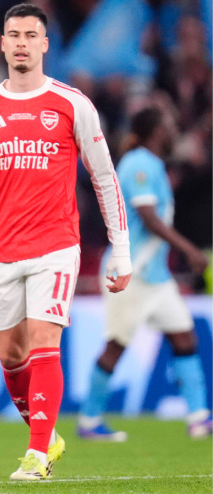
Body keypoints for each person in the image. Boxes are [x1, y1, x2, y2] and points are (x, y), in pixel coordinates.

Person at [0, 3, 131, 481]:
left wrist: (120, 250)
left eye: (30, 35)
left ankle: (37, 454)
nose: (21, 42)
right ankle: (48, 435)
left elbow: (104, 179)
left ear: (44, 44)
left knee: (44, 342)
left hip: (56, 244)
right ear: (2, 44)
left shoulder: (72, 103)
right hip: (1, 248)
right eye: (13, 34)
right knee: (11, 356)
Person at [78, 107, 211, 440]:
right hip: (129, 272)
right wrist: (189, 250)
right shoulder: (138, 163)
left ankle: (198, 418)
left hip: (155, 276)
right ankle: (89, 421)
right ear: (155, 130)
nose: (172, 129)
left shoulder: (152, 165)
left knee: (184, 336)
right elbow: (149, 218)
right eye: (168, 124)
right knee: (117, 345)